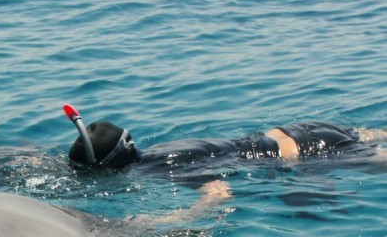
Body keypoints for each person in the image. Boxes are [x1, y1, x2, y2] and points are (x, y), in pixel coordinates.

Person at [63, 104, 387, 169]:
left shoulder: (164, 170)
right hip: (301, 130)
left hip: (307, 152)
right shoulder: (161, 151)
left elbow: (219, 193)